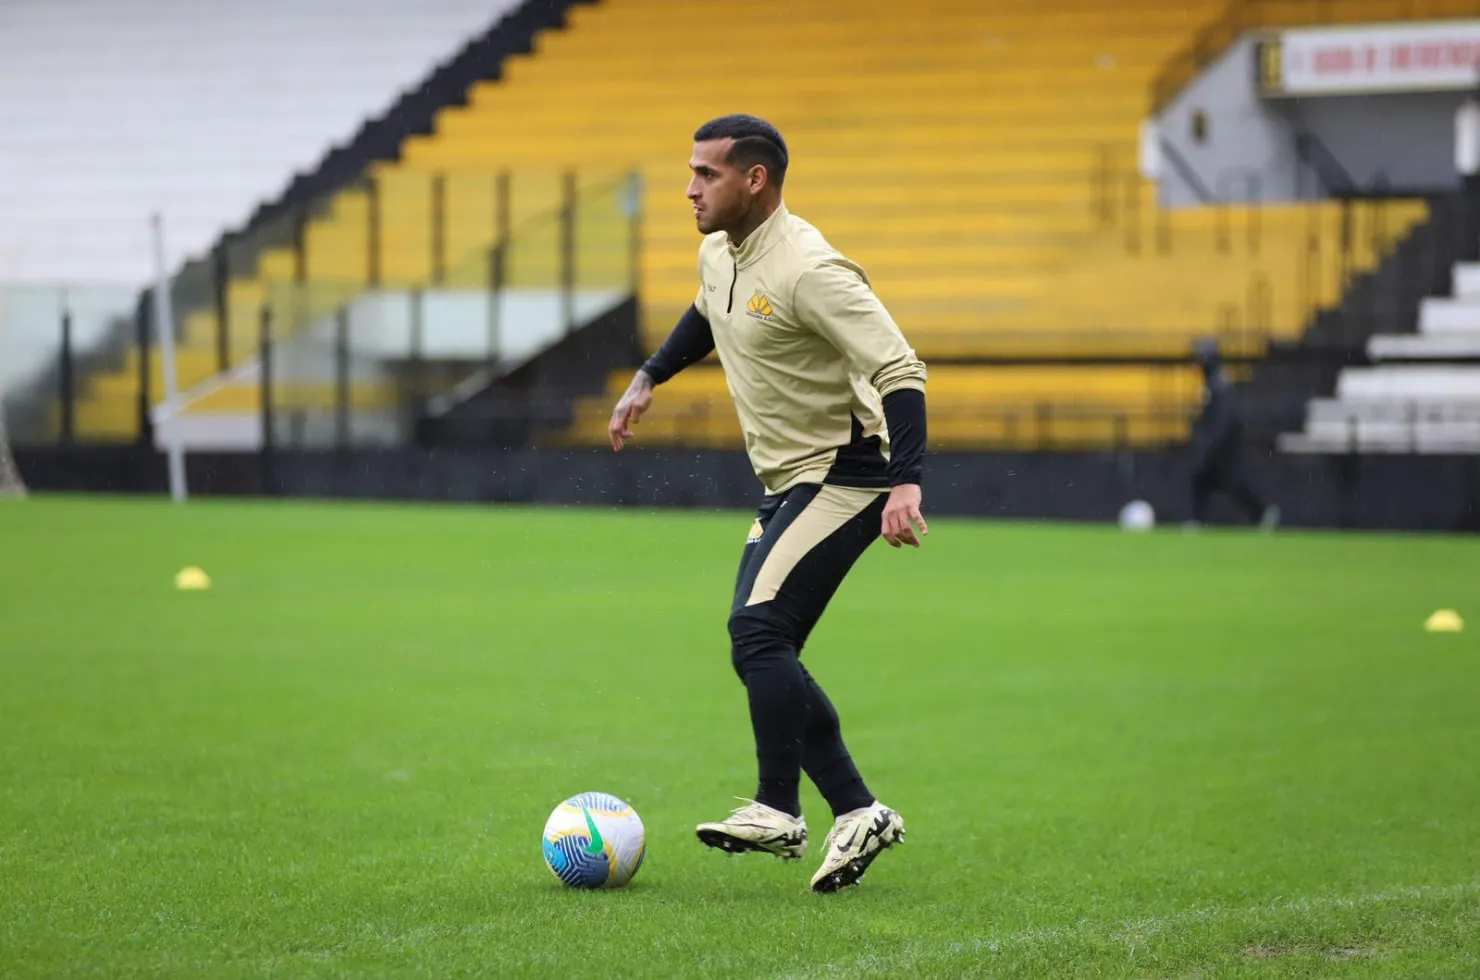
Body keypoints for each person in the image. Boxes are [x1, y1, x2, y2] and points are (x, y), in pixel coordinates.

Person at [607, 114, 928, 893]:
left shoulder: (811, 268)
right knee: (760, 644)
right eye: (690, 172)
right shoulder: (719, 250)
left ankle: (780, 808)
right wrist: (651, 375)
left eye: (706, 175)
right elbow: (708, 310)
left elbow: (900, 368)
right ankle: (858, 810)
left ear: (755, 180)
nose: (689, 189)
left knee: (758, 632)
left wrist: (909, 480)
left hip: (849, 473)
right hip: (790, 481)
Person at [1188, 341, 1279, 529]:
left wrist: (1210, 444)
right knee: (1203, 482)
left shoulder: (1219, 385)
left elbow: (1222, 419)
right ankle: (1199, 520)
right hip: (1219, 445)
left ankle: (1261, 512)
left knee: (1231, 483)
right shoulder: (1214, 383)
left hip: (1223, 448)